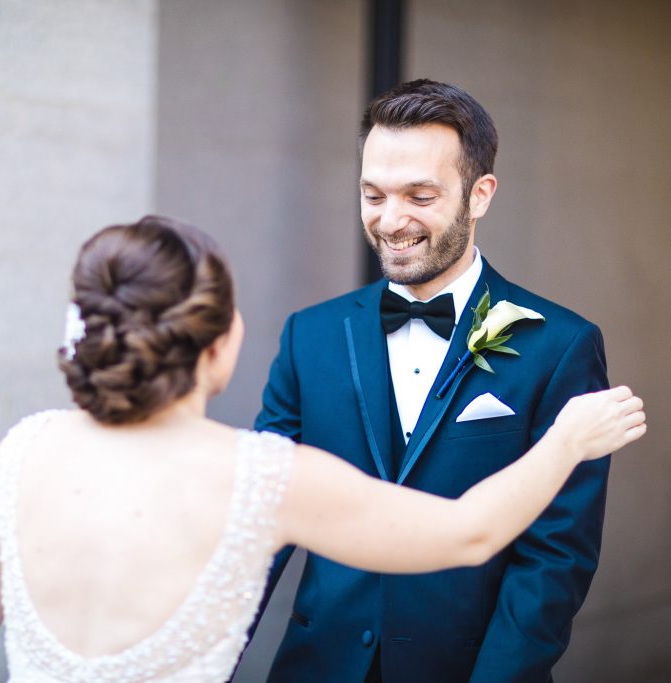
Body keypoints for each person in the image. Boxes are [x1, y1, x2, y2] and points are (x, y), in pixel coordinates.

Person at [0, 216, 645, 682]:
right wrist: (567, 440)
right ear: (222, 345)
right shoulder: (262, 477)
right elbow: (469, 530)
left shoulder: (23, 453)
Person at [250, 79, 618, 682]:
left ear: (480, 195)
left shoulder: (562, 345)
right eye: (373, 195)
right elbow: (261, 516)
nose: (391, 221)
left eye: (419, 195)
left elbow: (556, 556)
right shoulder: (307, 335)